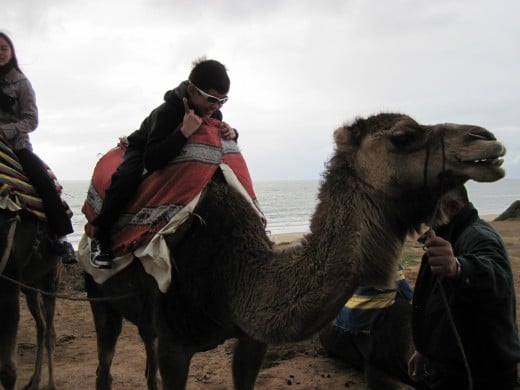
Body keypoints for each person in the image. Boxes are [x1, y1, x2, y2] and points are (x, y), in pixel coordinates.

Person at [90, 58, 237, 269]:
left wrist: (232, 133)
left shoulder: (212, 112)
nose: (216, 107)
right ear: (192, 90)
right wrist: (184, 131)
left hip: (186, 156)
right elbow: (152, 160)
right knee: (126, 180)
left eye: (222, 101)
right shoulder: (168, 112)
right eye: (212, 99)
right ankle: (100, 236)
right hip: (143, 148)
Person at [408, 185, 520, 389]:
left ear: (451, 206)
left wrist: (458, 267)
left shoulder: (479, 236)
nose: (424, 217)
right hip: (451, 368)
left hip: (480, 376)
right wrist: (424, 349)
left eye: (430, 209)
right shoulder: (448, 234)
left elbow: (496, 276)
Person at [0, 32, 76, 264]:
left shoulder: (21, 83)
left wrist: (6, 130)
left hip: (16, 147)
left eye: (3, 48)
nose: (0, 53)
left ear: (11, 52)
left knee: (44, 183)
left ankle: (61, 239)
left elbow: (31, 120)